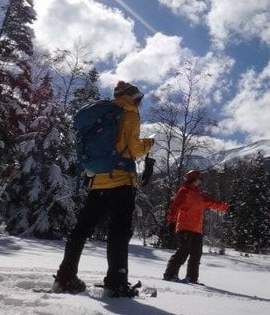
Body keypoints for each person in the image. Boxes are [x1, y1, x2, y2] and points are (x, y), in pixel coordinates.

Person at [53, 81, 154, 296]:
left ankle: (65, 277)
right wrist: (149, 144)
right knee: (118, 233)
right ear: (133, 97)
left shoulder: (105, 112)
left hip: (97, 180)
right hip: (121, 180)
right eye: (139, 98)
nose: (140, 102)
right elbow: (134, 148)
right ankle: (116, 283)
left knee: (81, 229)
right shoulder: (130, 114)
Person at [163, 170, 229, 284]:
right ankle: (170, 275)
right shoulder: (184, 191)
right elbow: (175, 206)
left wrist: (227, 207)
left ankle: (192, 278)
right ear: (193, 179)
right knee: (183, 251)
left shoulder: (198, 195)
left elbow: (212, 203)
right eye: (199, 179)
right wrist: (171, 220)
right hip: (185, 227)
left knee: (196, 255)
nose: (201, 181)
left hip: (197, 229)